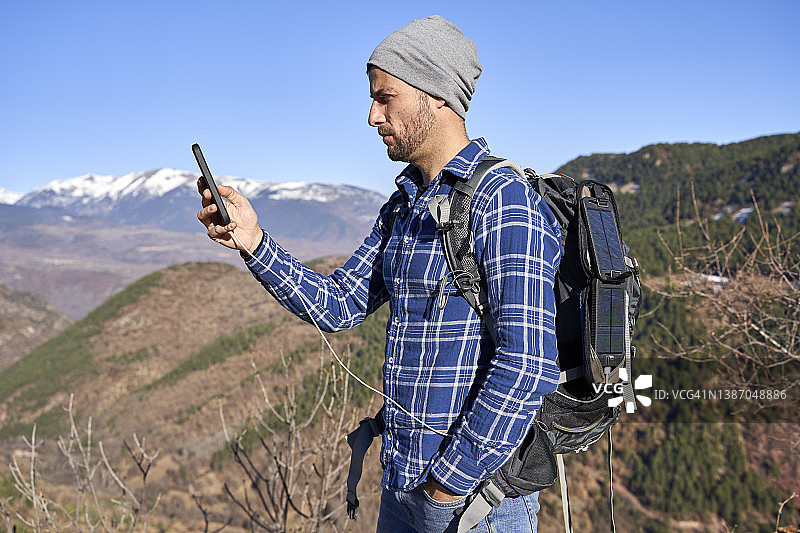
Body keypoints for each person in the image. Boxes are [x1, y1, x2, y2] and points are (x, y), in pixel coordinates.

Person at [197, 15, 561, 533]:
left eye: (385, 97)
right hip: (402, 490)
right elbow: (339, 302)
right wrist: (254, 242)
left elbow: (527, 362)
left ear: (436, 95)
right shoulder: (404, 205)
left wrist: (447, 485)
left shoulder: (503, 199)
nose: (372, 115)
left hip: (473, 504)